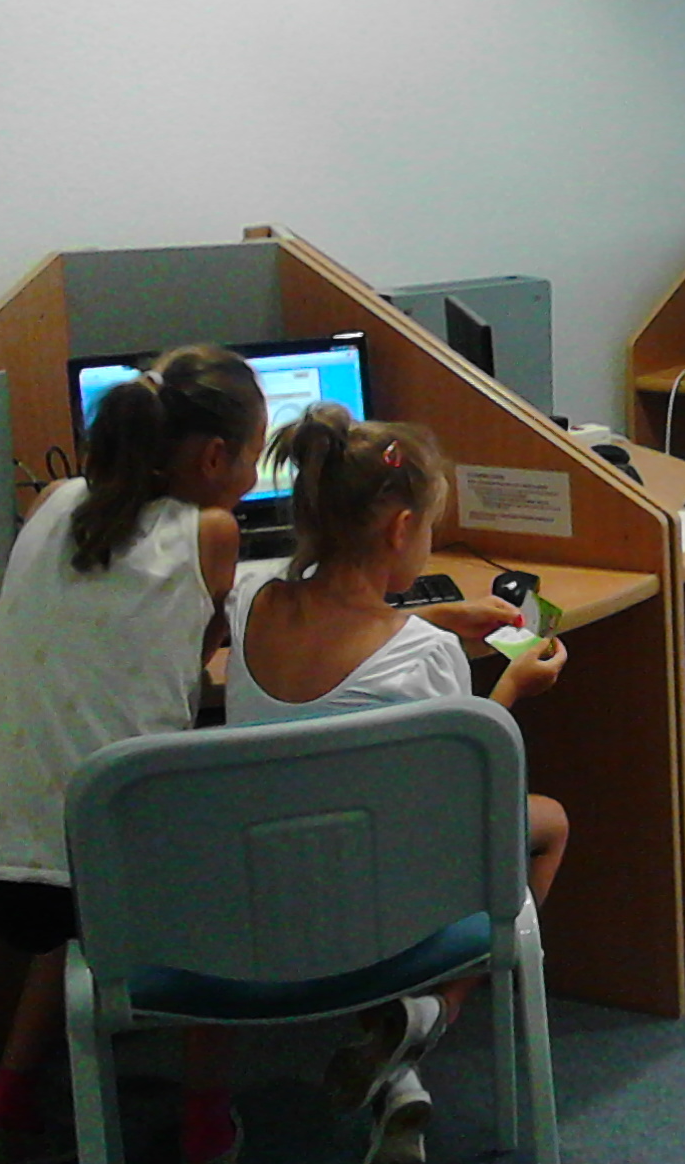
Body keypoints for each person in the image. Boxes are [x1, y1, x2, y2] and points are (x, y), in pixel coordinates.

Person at [226, 406, 569, 1164]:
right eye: (430, 529)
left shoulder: (250, 598)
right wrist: (511, 686)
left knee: (368, 822)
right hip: (385, 909)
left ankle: (396, 1072)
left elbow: (337, 620)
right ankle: (428, 1018)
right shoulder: (423, 658)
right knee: (547, 824)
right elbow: (466, 784)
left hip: (259, 896)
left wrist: (439, 613)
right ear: (400, 529)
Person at [0, 346, 268, 1164]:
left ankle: (5, 1099)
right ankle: (206, 1124)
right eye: (254, 457)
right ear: (215, 459)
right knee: (220, 890)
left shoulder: (55, 500)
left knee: (82, 870)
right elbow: (204, 656)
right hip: (110, 881)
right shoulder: (212, 531)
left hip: (2, 875)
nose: (253, 478)